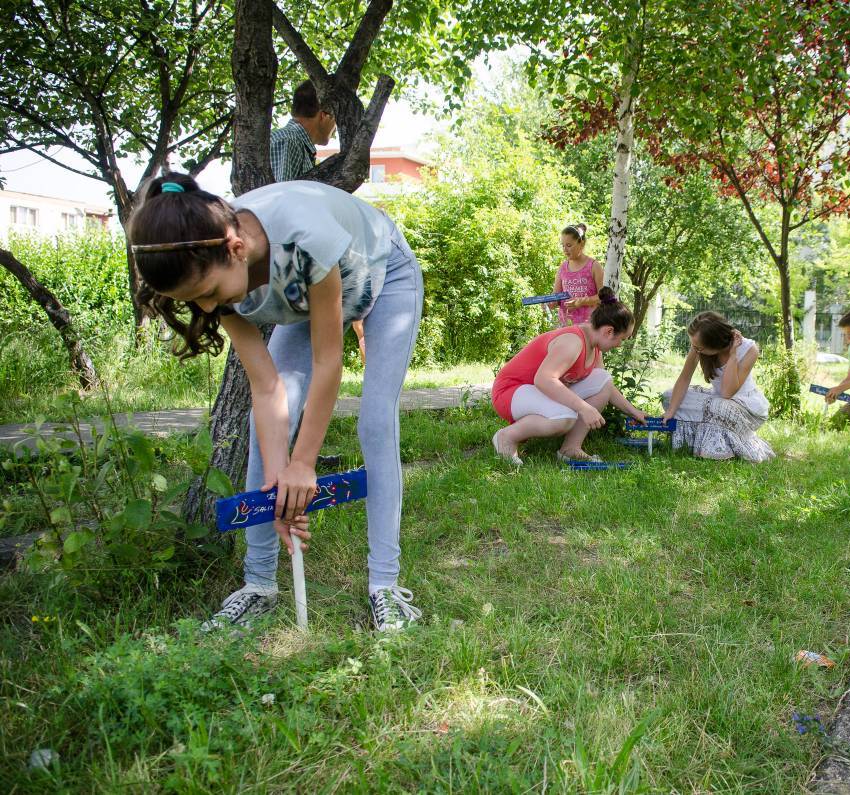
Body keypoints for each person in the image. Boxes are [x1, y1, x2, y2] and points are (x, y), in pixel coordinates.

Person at [129, 173, 424, 632]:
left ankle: (384, 585)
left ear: (235, 246)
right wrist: (279, 489)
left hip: (384, 275)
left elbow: (329, 363)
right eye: (195, 302)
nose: (207, 310)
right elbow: (267, 390)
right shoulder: (206, 258)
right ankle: (258, 585)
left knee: (374, 421)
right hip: (307, 298)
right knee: (261, 426)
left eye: (208, 294)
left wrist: (304, 464)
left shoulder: (304, 235)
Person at [491, 287, 647, 465]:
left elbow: (606, 387)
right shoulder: (573, 342)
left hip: (535, 392)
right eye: (622, 338)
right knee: (564, 418)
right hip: (511, 392)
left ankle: (571, 448)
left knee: (603, 379)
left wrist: (634, 412)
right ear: (609, 331)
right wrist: (583, 407)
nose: (620, 345)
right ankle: (507, 436)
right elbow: (543, 379)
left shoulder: (594, 346)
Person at [270, 79, 367, 365]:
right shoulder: (288, 142)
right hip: (280, 261)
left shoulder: (295, 144)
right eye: (335, 118)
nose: (336, 127)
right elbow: (280, 205)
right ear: (324, 114)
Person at [662, 311, 774, 462]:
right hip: (719, 399)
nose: (695, 350)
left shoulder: (749, 349)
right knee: (669, 397)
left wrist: (733, 354)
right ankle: (690, 443)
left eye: (699, 348)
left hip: (745, 406)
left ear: (715, 343)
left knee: (718, 407)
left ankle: (723, 449)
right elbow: (684, 378)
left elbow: (728, 392)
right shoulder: (698, 347)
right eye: (694, 346)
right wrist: (671, 411)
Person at [553, 224, 604, 327]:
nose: (565, 249)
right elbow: (556, 297)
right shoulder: (562, 268)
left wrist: (580, 302)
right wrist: (550, 303)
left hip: (590, 328)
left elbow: (603, 297)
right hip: (566, 328)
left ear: (582, 243)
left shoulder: (594, 266)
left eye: (569, 245)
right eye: (562, 245)